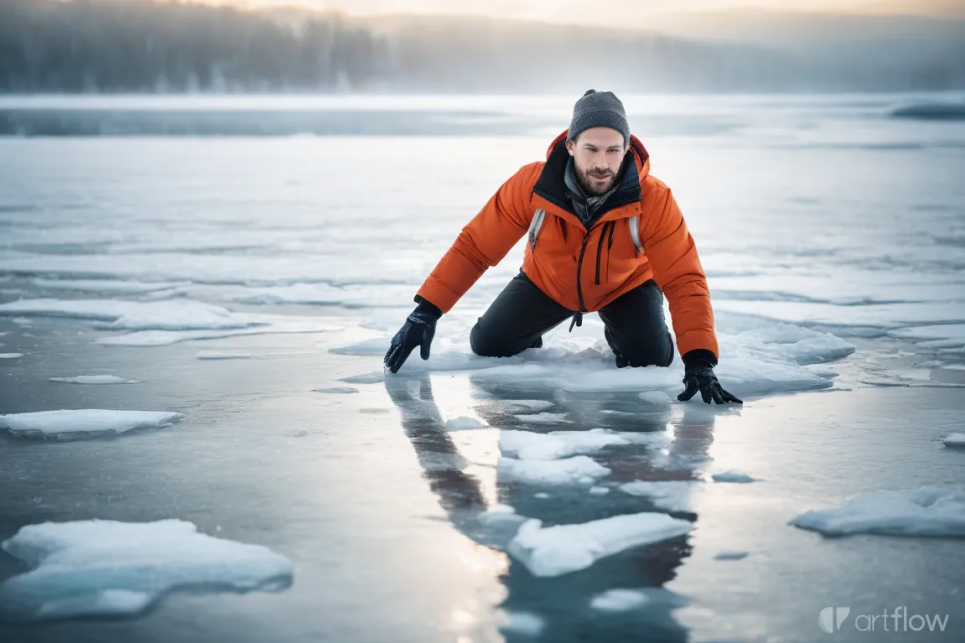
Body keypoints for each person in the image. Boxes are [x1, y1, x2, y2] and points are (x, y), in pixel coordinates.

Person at [383, 90, 741, 405]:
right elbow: (475, 247)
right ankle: (535, 329)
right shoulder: (531, 184)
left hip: (626, 286)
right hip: (547, 281)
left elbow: (682, 277)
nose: (602, 163)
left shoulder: (654, 199)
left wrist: (699, 360)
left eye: (613, 150)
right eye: (591, 149)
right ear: (570, 146)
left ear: (627, 149)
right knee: (487, 344)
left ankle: (625, 331)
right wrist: (426, 311)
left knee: (650, 358)